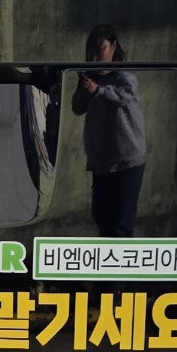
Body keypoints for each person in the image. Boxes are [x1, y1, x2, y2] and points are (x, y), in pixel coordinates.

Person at [70, 24, 146, 237]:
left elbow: (124, 97)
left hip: (128, 161)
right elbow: (77, 107)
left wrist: (98, 90)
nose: (95, 58)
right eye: (91, 52)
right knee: (102, 218)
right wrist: (85, 89)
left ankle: (120, 258)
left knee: (121, 222)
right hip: (102, 162)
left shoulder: (124, 78)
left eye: (100, 50)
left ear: (113, 46)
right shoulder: (91, 79)